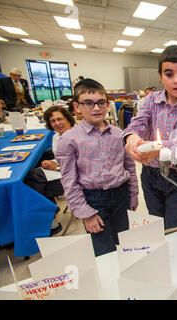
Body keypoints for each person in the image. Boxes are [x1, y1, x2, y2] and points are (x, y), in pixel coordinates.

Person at [56, 78, 139, 256]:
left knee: (123, 243)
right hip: (93, 200)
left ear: (108, 105)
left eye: (101, 103)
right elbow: (69, 180)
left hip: (120, 196)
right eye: (88, 103)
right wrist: (85, 213)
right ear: (77, 107)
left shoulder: (120, 134)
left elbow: (130, 168)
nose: (96, 108)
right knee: (102, 250)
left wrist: (133, 195)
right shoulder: (69, 139)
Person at [123, 45, 177, 229]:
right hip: (150, 175)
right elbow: (139, 123)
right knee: (156, 222)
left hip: (176, 175)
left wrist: (156, 149)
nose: (176, 81)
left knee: (175, 224)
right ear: (160, 76)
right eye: (169, 74)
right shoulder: (151, 100)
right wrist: (132, 137)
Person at [24, 106, 76, 236]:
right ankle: (49, 213)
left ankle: (47, 220)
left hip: (74, 177)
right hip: (61, 171)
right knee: (30, 177)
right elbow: (61, 157)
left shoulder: (77, 136)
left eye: (60, 119)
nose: (57, 123)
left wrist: (57, 166)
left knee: (32, 180)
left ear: (68, 119)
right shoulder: (57, 136)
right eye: (53, 121)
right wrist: (52, 162)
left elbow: (80, 165)